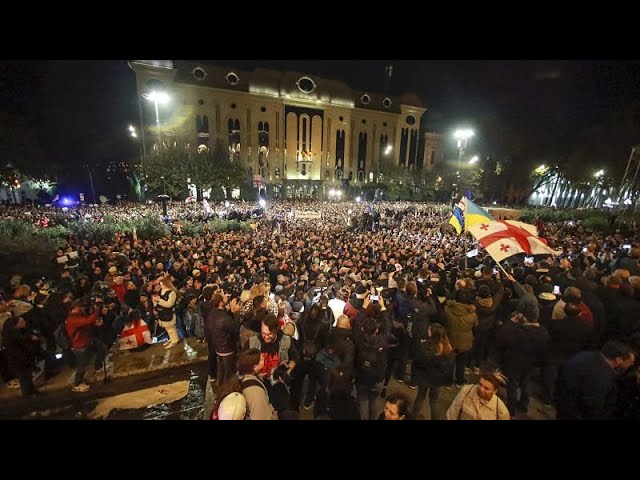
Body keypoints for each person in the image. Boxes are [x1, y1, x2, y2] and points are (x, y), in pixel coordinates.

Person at [554, 340, 635, 420]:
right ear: (619, 360)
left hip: (562, 404)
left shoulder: (584, 355)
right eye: (630, 362)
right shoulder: (603, 376)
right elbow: (592, 407)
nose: (631, 365)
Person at [66, 300, 107, 392]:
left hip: (87, 340)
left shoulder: (79, 316)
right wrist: (96, 310)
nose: (83, 309)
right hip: (80, 345)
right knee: (82, 365)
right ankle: (77, 384)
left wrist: (95, 324)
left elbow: (87, 323)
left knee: (102, 348)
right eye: (81, 307)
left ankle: (98, 366)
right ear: (76, 308)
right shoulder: (73, 319)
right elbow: (87, 321)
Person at [446, 366, 510, 420]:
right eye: (480, 384)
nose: (481, 389)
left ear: (495, 391)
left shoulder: (501, 410)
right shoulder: (466, 391)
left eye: (486, 388)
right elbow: (452, 413)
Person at [153, 276, 180, 349]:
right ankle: (171, 339)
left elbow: (169, 304)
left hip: (169, 313)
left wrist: (159, 300)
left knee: (171, 328)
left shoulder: (172, 293)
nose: (161, 286)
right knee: (167, 329)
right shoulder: (162, 290)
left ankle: (174, 340)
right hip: (162, 312)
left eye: (163, 284)